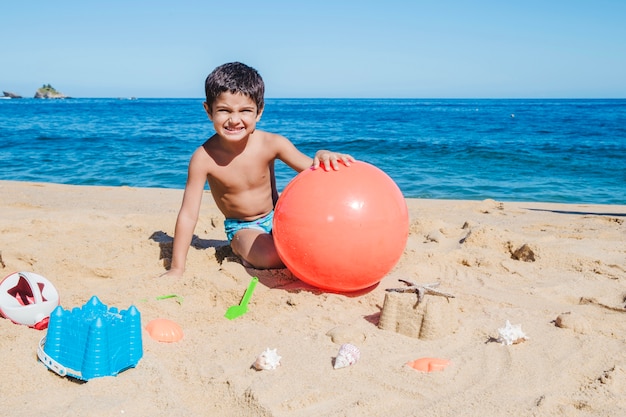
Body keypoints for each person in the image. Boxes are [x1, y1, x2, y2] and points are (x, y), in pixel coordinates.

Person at [162, 62, 354, 277]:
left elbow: (314, 172)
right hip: (243, 228)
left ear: (259, 112)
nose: (234, 120)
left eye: (245, 111)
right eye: (224, 110)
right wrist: (177, 268)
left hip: (281, 218)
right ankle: (241, 251)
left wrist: (322, 155)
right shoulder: (203, 158)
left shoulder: (273, 144)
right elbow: (188, 215)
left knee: (321, 244)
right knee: (273, 257)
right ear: (208, 110)